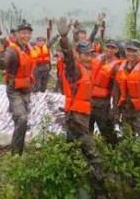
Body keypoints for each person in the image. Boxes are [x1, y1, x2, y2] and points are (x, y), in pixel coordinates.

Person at [56, 17, 109, 199]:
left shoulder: (86, 68)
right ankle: (99, 194)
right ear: (78, 55)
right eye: (85, 54)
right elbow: (69, 59)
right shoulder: (75, 69)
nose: (88, 57)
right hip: (77, 118)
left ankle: (74, 187)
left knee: (72, 150)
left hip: (78, 117)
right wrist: (64, 39)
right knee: (94, 157)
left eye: (90, 55)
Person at [4, 21, 35, 155]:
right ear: (16, 34)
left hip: (26, 89)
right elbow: (4, 60)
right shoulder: (12, 50)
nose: (26, 36)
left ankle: (18, 148)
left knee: (21, 120)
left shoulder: (28, 49)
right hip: (14, 89)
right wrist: (2, 54)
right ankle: (16, 154)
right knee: (22, 118)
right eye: (23, 33)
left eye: (28, 33)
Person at [89, 39, 122, 145]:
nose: (109, 50)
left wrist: (114, 107)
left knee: (105, 128)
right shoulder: (97, 59)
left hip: (103, 102)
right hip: (89, 100)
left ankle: (113, 150)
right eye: (108, 47)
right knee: (87, 127)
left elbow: (117, 89)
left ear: (116, 50)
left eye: (112, 48)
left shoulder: (116, 66)